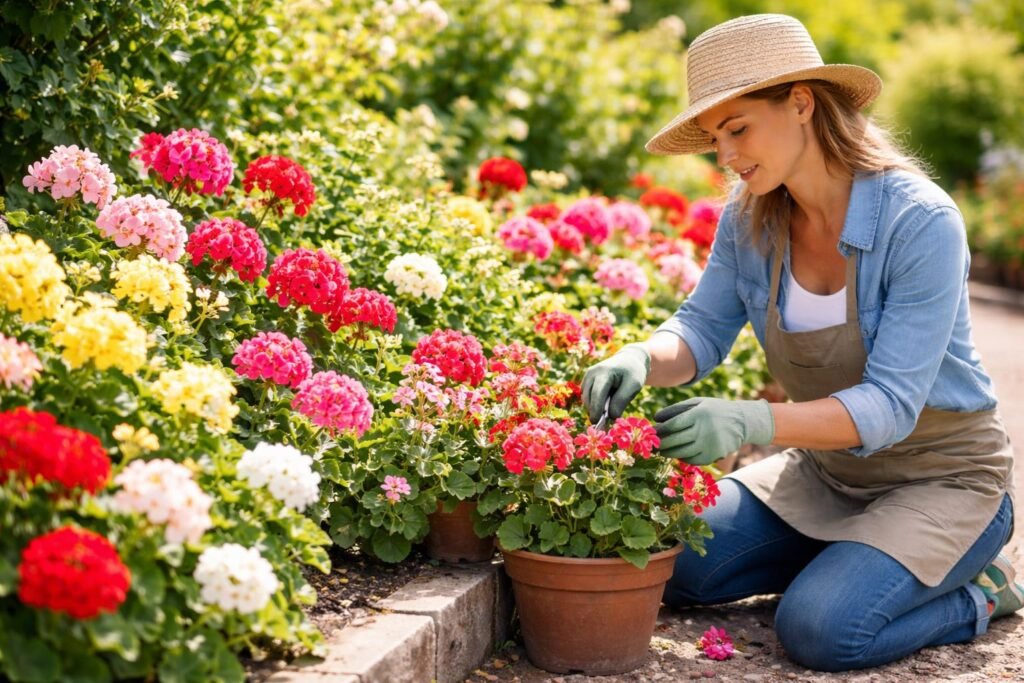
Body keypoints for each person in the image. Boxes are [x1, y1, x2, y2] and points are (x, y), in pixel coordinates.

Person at [581, 13, 1021, 672]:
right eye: (714, 138)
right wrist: (641, 355)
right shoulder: (749, 216)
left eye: (737, 129)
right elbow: (701, 327)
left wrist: (750, 419)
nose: (725, 156)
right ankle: (856, 562)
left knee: (822, 628)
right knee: (670, 558)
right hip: (827, 473)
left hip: (944, 481)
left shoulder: (921, 221)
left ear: (802, 103)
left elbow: (891, 404)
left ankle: (980, 592)